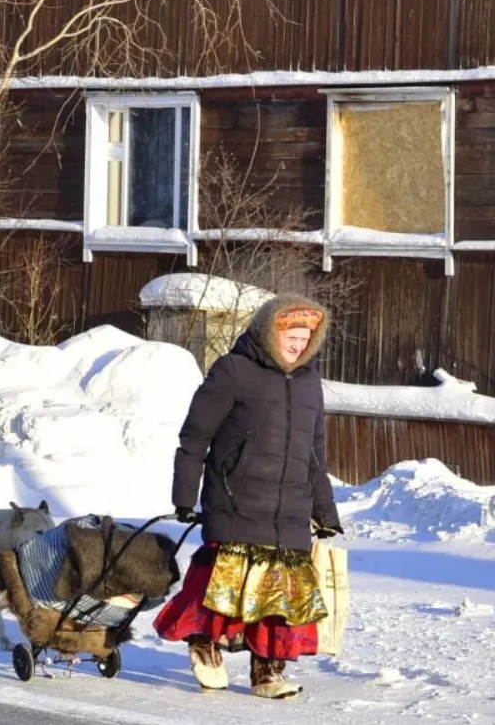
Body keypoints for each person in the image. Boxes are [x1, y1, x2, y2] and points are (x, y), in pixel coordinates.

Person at [154, 293, 343, 699]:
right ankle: (205, 646)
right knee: (221, 590)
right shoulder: (233, 371)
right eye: (290, 336)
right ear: (267, 333)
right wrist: (185, 498)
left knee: (278, 599)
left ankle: (267, 672)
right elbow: (195, 438)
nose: (297, 345)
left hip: (289, 513)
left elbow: (315, 454)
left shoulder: (310, 382)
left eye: (304, 338)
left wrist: (325, 511)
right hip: (235, 501)